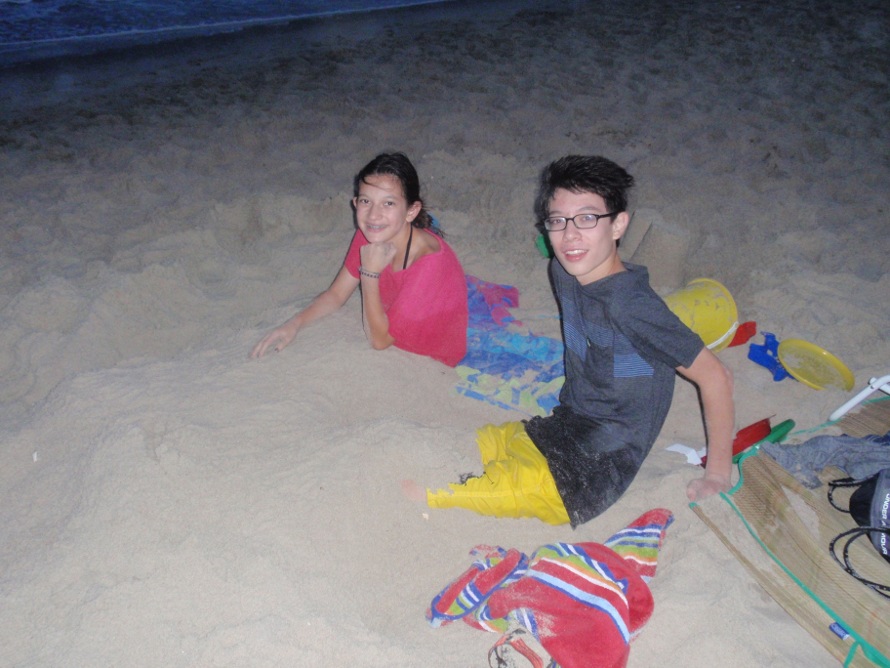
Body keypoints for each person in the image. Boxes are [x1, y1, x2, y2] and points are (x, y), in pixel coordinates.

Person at [427, 155, 735, 527]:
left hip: (589, 474)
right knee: (452, 449)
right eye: (558, 221)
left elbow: (715, 376)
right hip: (555, 429)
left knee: (437, 494)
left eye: (587, 218)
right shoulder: (562, 270)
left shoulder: (631, 306)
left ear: (618, 224)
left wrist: (718, 475)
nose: (570, 236)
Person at [250, 152, 468, 367]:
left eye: (388, 203)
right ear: (355, 203)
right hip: (390, 327)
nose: (373, 215)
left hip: (427, 357)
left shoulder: (427, 264)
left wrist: (369, 274)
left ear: (411, 211)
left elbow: (379, 341)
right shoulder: (371, 232)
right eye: (366, 201)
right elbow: (336, 295)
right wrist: (294, 324)